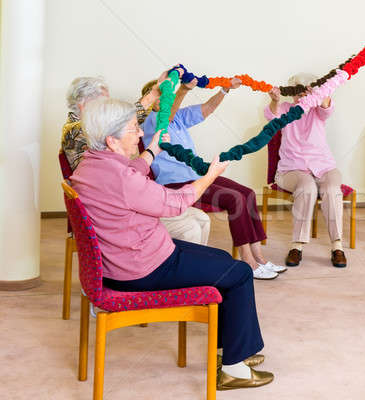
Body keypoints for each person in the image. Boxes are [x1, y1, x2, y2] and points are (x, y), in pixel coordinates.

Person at [70, 97, 273, 390]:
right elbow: (177, 203)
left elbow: (133, 172)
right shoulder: (121, 178)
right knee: (240, 273)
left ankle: (233, 349)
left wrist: (153, 148)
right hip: (143, 270)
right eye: (133, 129)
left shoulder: (92, 164)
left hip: (130, 260)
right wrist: (210, 175)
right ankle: (232, 369)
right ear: (112, 140)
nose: (140, 133)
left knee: (220, 260)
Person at [140, 77, 286, 280]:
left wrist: (225, 90)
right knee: (235, 198)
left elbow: (207, 109)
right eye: (163, 96)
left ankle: (259, 257)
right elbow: (170, 111)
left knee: (248, 193)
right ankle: (248, 262)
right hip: (174, 184)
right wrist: (183, 89)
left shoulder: (178, 118)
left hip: (195, 176)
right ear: (153, 101)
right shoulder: (152, 121)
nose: (168, 99)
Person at [62, 74, 211, 246]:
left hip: (117, 198)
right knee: (189, 226)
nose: (112, 110)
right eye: (106, 105)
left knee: (201, 219)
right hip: (113, 214)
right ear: (83, 105)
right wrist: (210, 176)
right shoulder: (76, 130)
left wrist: (153, 148)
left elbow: (124, 124)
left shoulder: (93, 129)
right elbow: (120, 123)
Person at [265, 73, 347, 268]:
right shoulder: (285, 109)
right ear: (292, 93)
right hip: (291, 170)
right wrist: (275, 101)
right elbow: (272, 117)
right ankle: (297, 246)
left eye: (304, 91)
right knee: (307, 187)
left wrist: (319, 93)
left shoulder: (318, 110)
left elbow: (327, 107)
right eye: (297, 91)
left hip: (324, 166)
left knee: (332, 190)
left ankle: (337, 246)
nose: (300, 96)